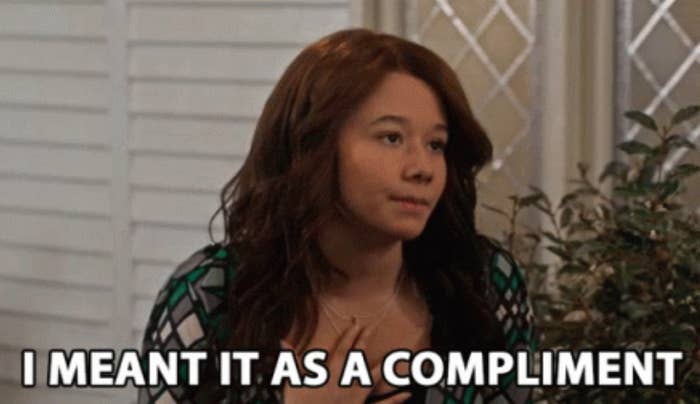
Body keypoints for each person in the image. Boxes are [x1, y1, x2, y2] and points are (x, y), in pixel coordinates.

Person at [137, 28, 536, 404]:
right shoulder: (209, 295)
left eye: (436, 145)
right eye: (391, 138)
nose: (422, 168)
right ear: (313, 148)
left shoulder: (485, 283)